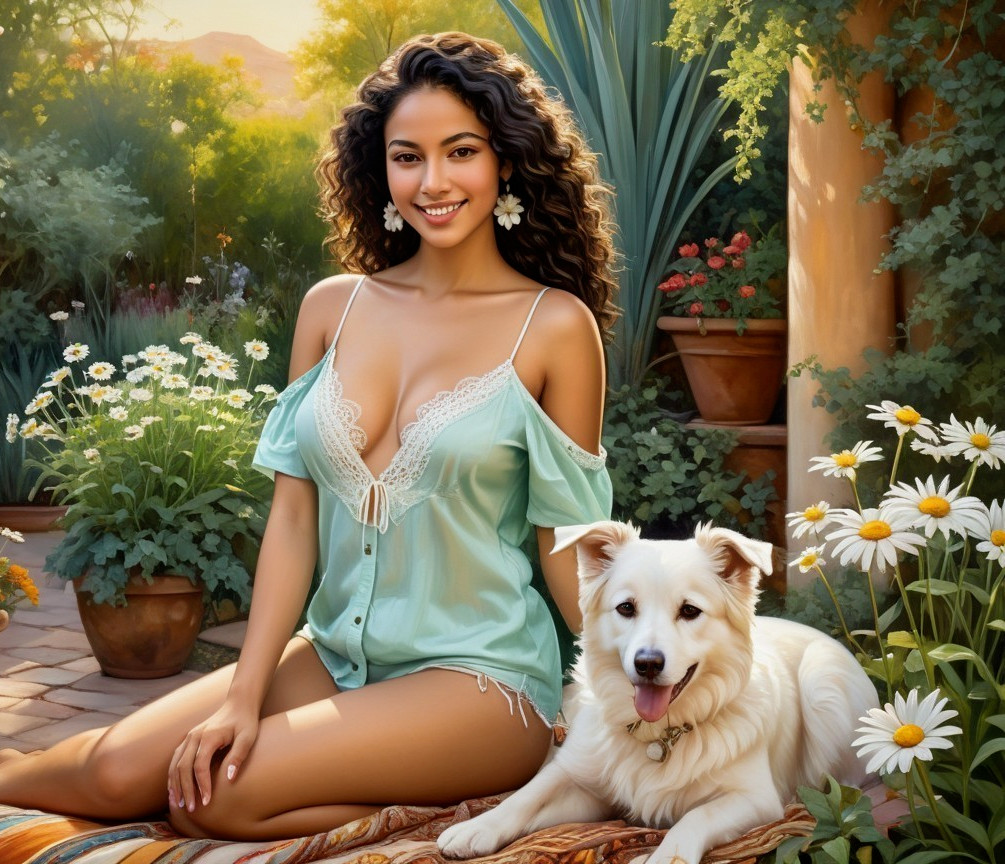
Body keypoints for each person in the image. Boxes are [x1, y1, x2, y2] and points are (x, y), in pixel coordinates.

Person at [0, 32, 617, 841]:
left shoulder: (554, 328)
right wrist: (242, 693)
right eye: (407, 157)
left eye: (459, 151)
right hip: (331, 654)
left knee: (214, 797)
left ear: (505, 161)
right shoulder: (334, 307)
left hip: (477, 681)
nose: (432, 182)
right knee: (120, 769)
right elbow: (292, 521)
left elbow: (565, 544)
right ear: (380, 171)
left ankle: (454, 800)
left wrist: (637, 680)